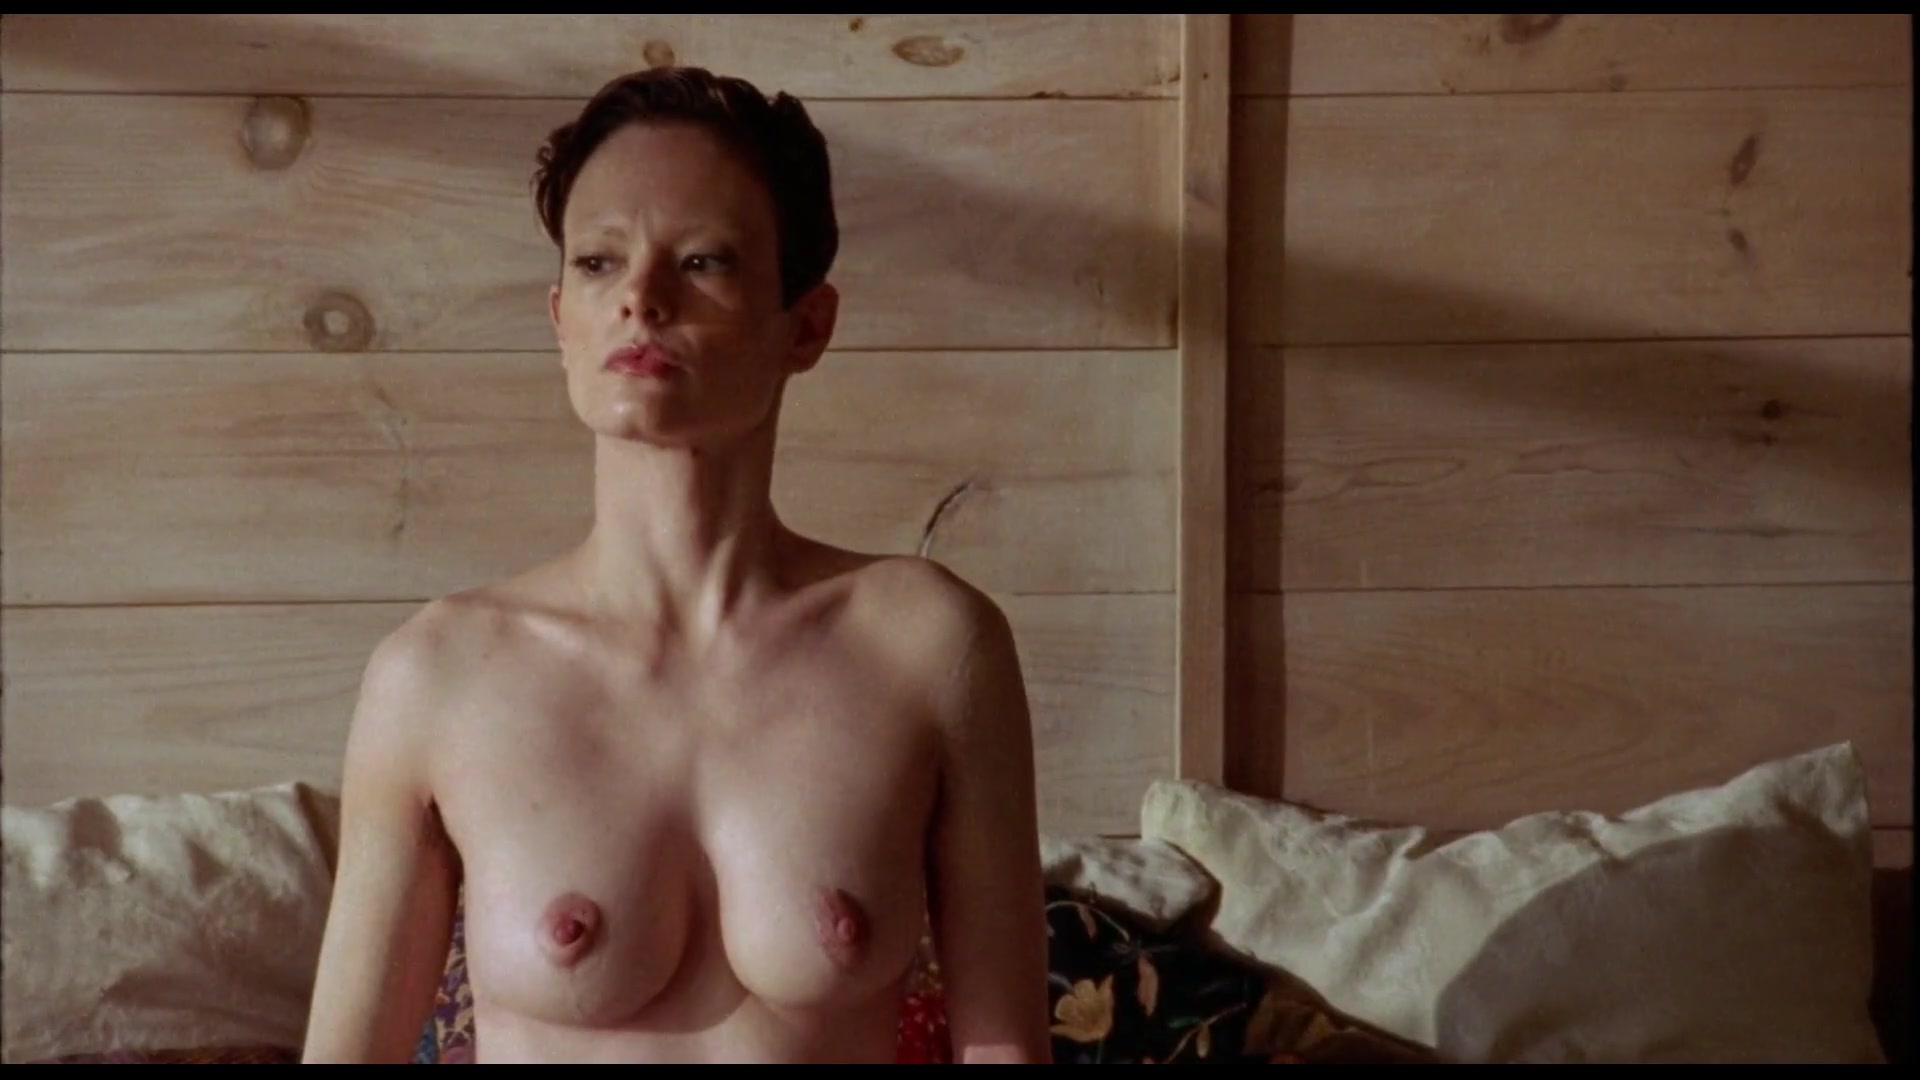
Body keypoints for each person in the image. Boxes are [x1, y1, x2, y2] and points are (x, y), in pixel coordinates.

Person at [300, 66, 1052, 1064]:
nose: (641, 301)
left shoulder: (928, 646)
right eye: (600, 262)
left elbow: (1007, 1050)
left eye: (702, 262)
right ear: (560, 317)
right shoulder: (438, 675)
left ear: (807, 325)